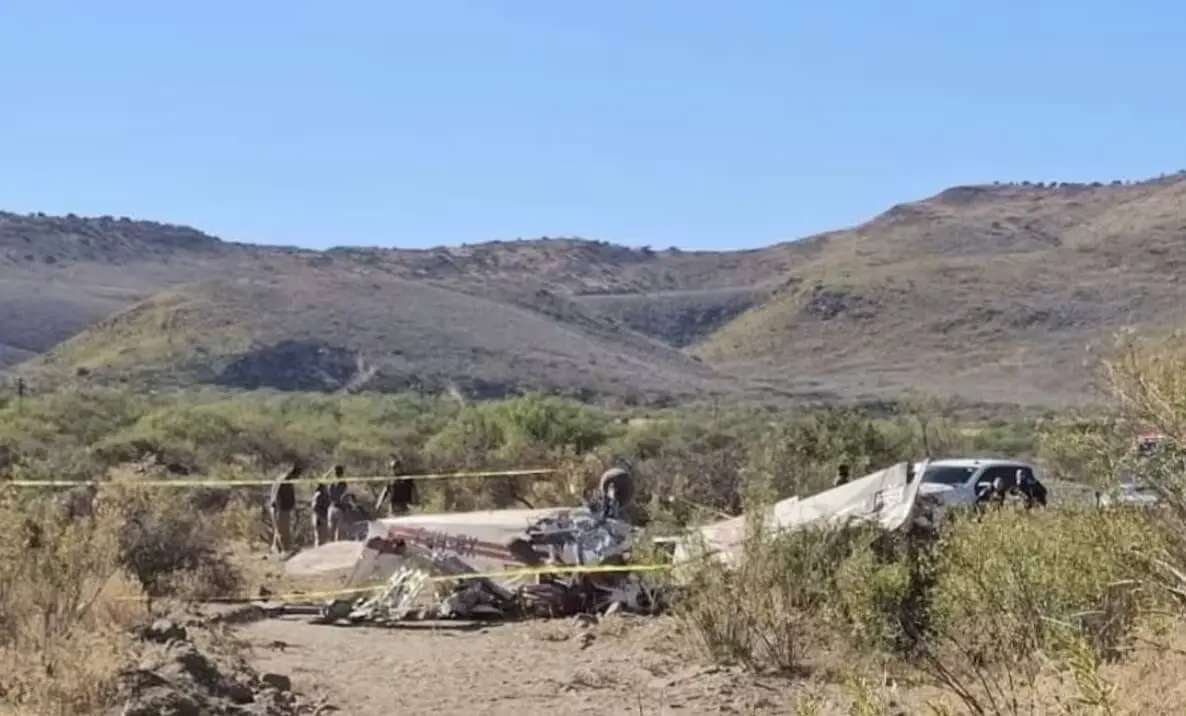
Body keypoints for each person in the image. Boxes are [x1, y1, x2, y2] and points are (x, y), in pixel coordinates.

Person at [269, 461, 303, 554]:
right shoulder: (285, 481)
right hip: (280, 509)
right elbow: (278, 496)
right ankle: (285, 551)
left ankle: (275, 550)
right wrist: (279, 509)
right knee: (283, 532)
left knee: (279, 530)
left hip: (277, 508)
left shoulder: (282, 478)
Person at [311, 482, 332, 547]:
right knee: (320, 538)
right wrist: (319, 517)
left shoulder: (323, 494)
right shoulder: (319, 495)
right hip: (320, 518)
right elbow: (315, 507)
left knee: (323, 537)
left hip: (321, 517)